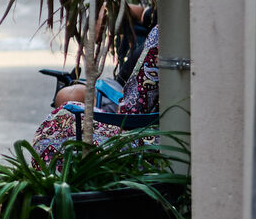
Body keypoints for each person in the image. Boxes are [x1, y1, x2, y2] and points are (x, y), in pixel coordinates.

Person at [33, 23, 161, 168]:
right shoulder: (171, 30)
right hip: (126, 94)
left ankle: (65, 176)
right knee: (69, 97)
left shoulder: (163, 36)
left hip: (142, 130)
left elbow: (133, 111)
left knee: (62, 117)